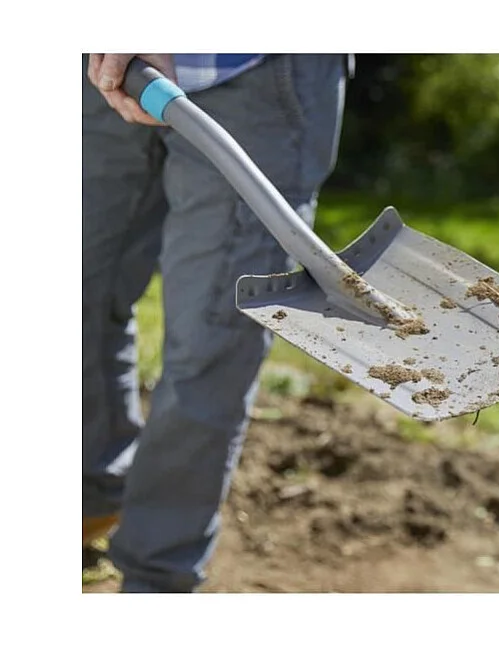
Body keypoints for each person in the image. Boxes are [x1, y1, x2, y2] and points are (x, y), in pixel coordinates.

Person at [83, 53, 348, 592]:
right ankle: (89, 495)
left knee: (210, 344)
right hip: (94, 57)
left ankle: (157, 580)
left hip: (260, 69)